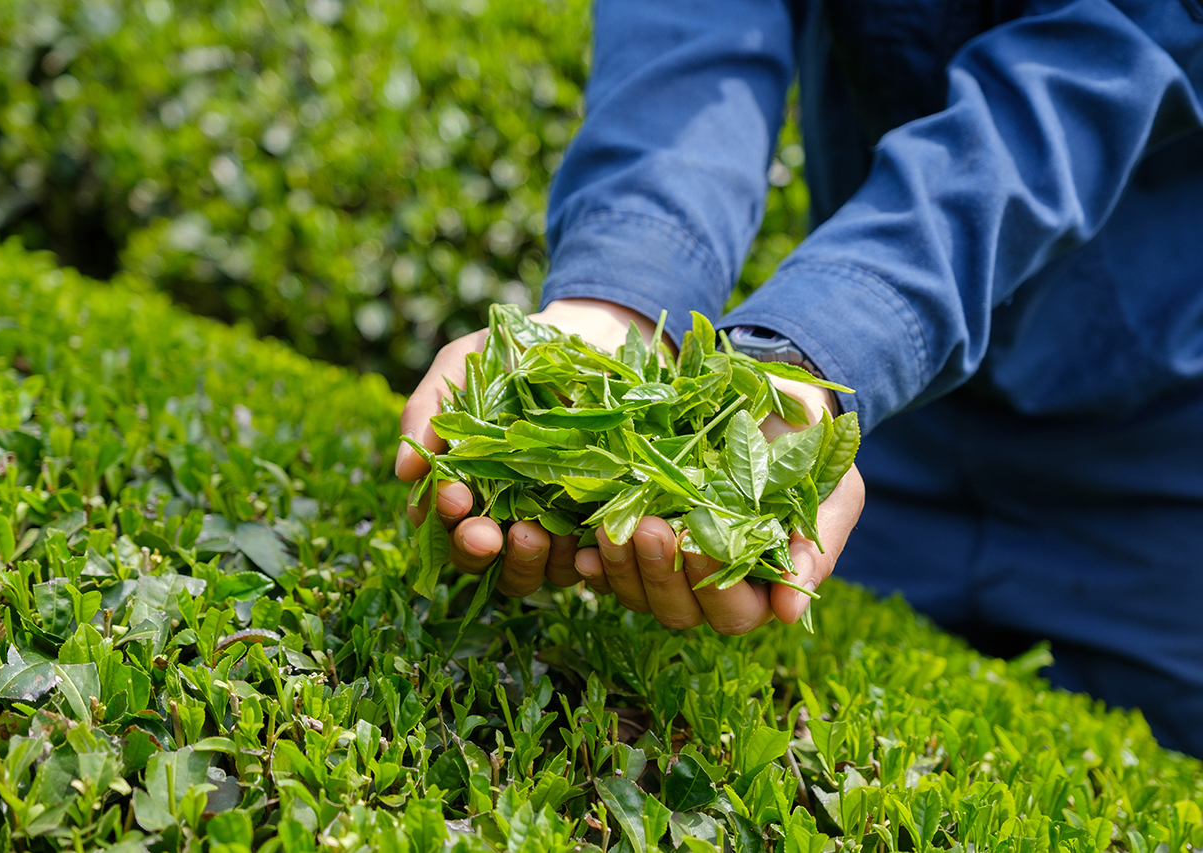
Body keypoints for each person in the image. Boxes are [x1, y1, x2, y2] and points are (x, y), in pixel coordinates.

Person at [396, 0, 1203, 756]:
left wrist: (833, 336)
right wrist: (618, 298)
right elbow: (694, 33)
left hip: (1157, 440)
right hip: (882, 419)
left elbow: (1093, 65)